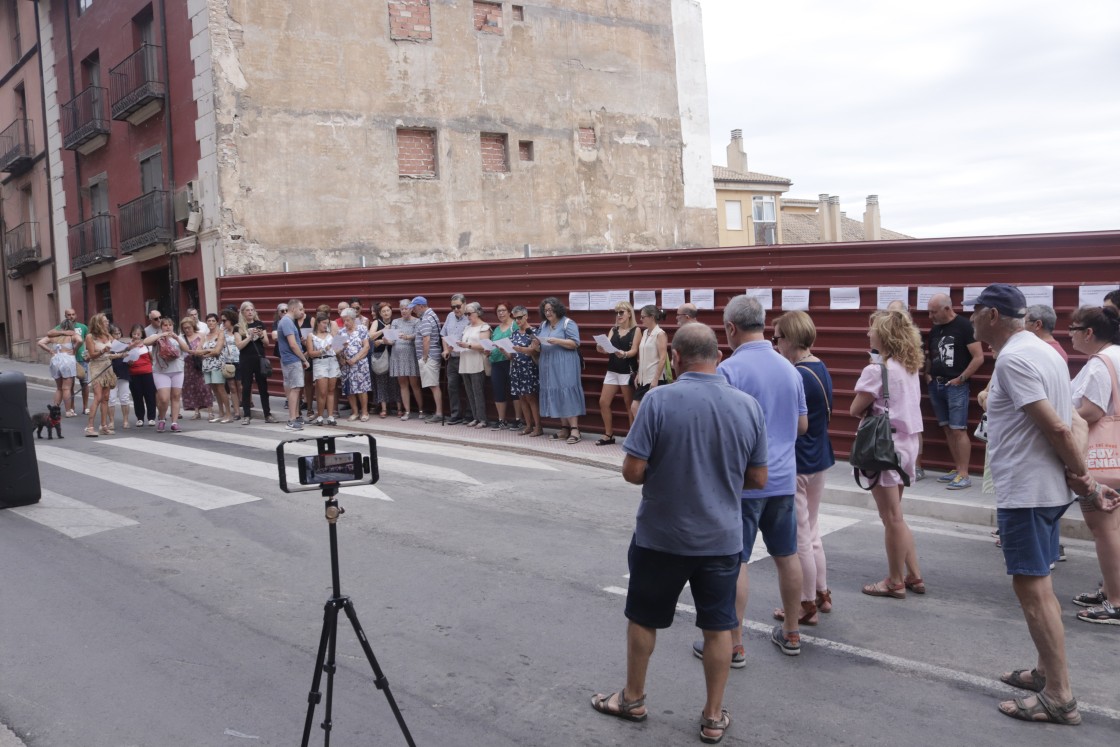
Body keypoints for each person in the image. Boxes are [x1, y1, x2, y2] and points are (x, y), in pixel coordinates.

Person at [591, 324, 768, 745]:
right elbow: (759, 478)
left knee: (644, 618)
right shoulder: (748, 406)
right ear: (719, 358)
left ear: (676, 358)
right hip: (722, 538)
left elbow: (632, 472)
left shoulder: (657, 401)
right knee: (718, 627)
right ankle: (711, 716)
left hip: (660, 537)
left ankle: (633, 698)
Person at [968, 284, 1120, 725]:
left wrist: (1087, 482)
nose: (972, 320)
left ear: (992, 315)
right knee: (1041, 589)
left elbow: (1057, 426)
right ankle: (1044, 673)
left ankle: (1059, 696)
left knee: (1033, 592)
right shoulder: (1044, 350)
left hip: (1027, 493)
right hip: (1043, 489)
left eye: (975, 313)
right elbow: (1071, 419)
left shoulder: (1016, 358)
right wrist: (1078, 480)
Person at [693, 294, 807, 663]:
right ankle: (792, 632)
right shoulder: (790, 368)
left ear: (730, 328)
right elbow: (802, 424)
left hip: (743, 483)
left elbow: (719, 428)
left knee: (736, 562)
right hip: (784, 479)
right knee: (787, 555)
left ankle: (734, 643)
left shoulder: (731, 371)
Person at [851, 310, 925, 599]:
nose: (868, 334)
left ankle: (895, 580)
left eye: (872, 330)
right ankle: (914, 575)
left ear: (883, 335)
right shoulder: (909, 366)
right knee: (896, 515)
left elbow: (856, 409)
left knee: (890, 517)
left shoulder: (876, 369)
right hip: (907, 444)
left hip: (883, 446)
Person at [771, 311, 836, 625]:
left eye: (778, 338)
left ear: (790, 339)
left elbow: (797, 424)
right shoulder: (819, 366)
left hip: (799, 460)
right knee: (813, 531)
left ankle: (805, 603)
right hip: (820, 456)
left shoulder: (795, 374)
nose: (776, 344)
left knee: (799, 538)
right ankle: (822, 593)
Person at [1067, 304, 1120, 625]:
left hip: (1101, 458)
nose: (1069, 334)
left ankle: (1115, 601)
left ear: (1089, 333)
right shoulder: (1117, 355)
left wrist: (1061, 418)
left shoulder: (1100, 364)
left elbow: (1092, 411)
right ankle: (1111, 588)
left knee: (1104, 530)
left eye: (1073, 329)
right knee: (1114, 529)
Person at [925, 293, 984, 490]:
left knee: (959, 429)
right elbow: (930, 355)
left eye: (934, 312)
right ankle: (957, 468)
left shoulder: (964, 326)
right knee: (947, 428)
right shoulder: (935, 329)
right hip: (937, 384)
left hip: (956, 385)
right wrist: (927, 374)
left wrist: (961, 378)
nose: (930, 316)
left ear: (947, 309)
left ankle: (965, 474)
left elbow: (978, 357)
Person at [532, 296, 585, 443]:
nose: (548, 312)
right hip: (548, 364)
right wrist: (536, 345)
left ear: (557, 309)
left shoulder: (568, 323)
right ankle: (564, 428)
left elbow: (575, 343)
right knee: (556, 392)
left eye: (551, 309)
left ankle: (575, 429)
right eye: (545, 310)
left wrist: (557, 341)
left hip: (565, 363)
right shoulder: (543, 325)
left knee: (567, 391)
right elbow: (539, 343)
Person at [596, 301, 641, 446]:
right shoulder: (613, 330)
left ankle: (632, 436)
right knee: (603, 402)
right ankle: (609, 434)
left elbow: (635, 350)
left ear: (629, 313)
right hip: (612, 369)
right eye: (617, 312)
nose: (618, 315)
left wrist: (625, 354)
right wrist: (601, 348)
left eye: (621, 312)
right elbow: (608, 346)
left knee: (629, 404)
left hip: (626, 370)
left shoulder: (636, 330)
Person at [142, 316, 190, 432]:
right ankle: (162, 419)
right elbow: (145, 342)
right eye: (165, 325)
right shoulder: (156, 337)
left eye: (170, 325)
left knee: (176, 396)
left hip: (177, 370)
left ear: (173, 326)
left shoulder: (178, 337)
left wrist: (177, 339)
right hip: (161, 371)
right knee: (164, 398)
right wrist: (160, 335)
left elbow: (186, 349)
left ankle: (174, 422)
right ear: (161, 327)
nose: (168, 327)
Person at [235, 302, 276, 425]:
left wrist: (260, 336)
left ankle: (267, 414)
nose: (250, 312)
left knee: (263, 387)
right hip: (246, 360)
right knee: (246, 387)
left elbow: (267, 343)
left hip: (259, 359)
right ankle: (247, 415)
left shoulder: (260, 324)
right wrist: (249, 336)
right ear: (242, 312)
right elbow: (239, 346)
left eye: (252, 310)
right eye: (247, 310)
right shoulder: (239, 327)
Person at [277, 300, 311, 431]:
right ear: (293, 309)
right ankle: (291, 419)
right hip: (292, 359)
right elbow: (292, 344)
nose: (303, 312)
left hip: (290, 359)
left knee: (295, 388)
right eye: (301, 309)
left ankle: (296, 417)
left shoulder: (287, 322)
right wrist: (304, 359)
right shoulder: (287, 322)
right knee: (295, 388)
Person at [457, 302, 492, 428]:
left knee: (478, 392)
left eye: (469, 313)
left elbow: (484, 345)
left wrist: (468, 345)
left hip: (477, 363)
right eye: (465, 314)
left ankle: (483, 419)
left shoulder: (484, 327)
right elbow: (464, 342)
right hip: (465, 361)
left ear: (477, 313)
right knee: (469, 392)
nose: (467, 316)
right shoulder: (467, 327)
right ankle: (475, 417)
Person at [629, 306, 668, 420]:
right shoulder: (645, 332)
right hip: (644, 377)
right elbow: (643, 356)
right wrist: (638, 374)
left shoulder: (660, 334)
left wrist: (656, 379)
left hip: (654, 378)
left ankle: (645, 434)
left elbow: (662, 358)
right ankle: (647, 433)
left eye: (643, 317)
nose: (641, 319)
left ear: (651, 317)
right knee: (641, 408)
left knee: (636, 407)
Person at [37, 320, 81, 417]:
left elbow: (40, 342)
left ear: (61, 327)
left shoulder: (54, 336)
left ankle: (54, 411)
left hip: (55, 359)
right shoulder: (72, 335)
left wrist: (49, 350)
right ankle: (68, 411)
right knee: (67, 388)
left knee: (59, 388)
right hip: (67, 360)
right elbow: (80, 340)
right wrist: (75, 349)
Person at [509, 306, 542, 436]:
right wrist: (504, 351)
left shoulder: (533, 332)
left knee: (531, 398)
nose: (517, 321)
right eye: (515, 318)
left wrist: (522, 350)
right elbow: (511, 355)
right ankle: (528, 425)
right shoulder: (515, 333)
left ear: (526, 316)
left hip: (529, 367)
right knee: (521, 397)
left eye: (519, 317)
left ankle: (538, 427)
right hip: (516, 368)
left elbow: (535, 350)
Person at [410, 296, 444, 423]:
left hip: (429, 357)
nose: (413, 310)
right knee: (433, 384)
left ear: (420, 306)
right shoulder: (432, 315)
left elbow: (426, 339)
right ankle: (438, 412)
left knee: (433, 385)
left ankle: (439, 413)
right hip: (433, 355)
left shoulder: (426, 318)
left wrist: (424, 357)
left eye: (414, 307)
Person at [83, 313, 117, 437]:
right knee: (97, 397)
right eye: (105, 321)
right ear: (98, 323)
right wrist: (102, 350)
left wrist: (123, 354)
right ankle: (89, 427)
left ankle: (104, 426)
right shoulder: (90, 337)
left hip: (107, 366)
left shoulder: (108, 335)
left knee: (106, 398)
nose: (107, 322)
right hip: (96, 367)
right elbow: (91, 355)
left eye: (107, 321)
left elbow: (112, 353)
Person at [488, 301, 519, 429]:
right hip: (496, 362)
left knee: (515, 391)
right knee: (498, 390)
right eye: (498, 311)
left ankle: (518, 419)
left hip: (511, 361)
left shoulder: (515, 325)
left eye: (503, 310)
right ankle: (501, 420)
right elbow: (492, 344)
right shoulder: (496, 328)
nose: (501, 313)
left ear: (509, 311)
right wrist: (487, 350)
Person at [441, 294, 472, 424]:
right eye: (453, 307)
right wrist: (445, 350)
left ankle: (470, 415)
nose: (456, 309)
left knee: (468, 387)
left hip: (465, 357)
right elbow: (444, 335)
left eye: (458, 306)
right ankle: (456, 414)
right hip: (452, 358)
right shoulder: (449, 316)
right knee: (452, 386)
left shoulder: (470, 317)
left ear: (464, 304)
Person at [392, 299, 423, 420]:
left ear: (411, 309)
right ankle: (407, 411)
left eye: (406, 308)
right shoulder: (395, 321)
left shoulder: (417, 321)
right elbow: (392, 337)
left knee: (414, 384)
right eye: (401, 308)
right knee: (402, 384)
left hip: (410, 355)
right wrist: (386, 340)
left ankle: (421, 410)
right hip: (397, 355)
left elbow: (417, 334)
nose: (403, 310)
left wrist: (407, 337)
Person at [338, 308, 372, 421]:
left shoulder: (362, 329)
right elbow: (336, 349)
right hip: (347, 365)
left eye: (347, 320)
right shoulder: (341, 332)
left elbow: (366, 347)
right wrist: (341, 357)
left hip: (360, 364)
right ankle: (355, 412)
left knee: (362, 389)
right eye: (344, 321)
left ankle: (365, 412)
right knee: (349, 389)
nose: (345, 323)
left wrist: (355, 359)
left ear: (353, 319)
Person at [307, 313, 340, 425]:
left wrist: (342, 347)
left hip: (332, 361)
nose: (326, 325)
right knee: (322, 391)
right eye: (324, 323)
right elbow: (311, 353)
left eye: (327, 323)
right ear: (318, 323)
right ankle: (320, 416)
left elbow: (334, 351)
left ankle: (330, 416)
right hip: (320, 362)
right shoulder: (311, 335)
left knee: (331, 390)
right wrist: (323, 350)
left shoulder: (330, 335)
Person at [198, 314, 231, 423]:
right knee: (215, 390)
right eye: (209, 321)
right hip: (206, 366)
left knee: (221, 389)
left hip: (217, 364)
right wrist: (207, 352)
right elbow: (198, 351)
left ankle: (228, 414)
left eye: (213, 320)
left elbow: (217, 351)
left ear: (217, 322)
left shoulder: (220, 334)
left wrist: (205, 354)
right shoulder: (205, 335)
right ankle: (221, 413)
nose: (211, 323)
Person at [370, 301, 401, 418]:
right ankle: (383, 409)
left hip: (394, 354)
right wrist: (383, 330)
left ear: (391, 311)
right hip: (380, 356)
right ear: (379, 313)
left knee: (396, 382)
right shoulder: (376, 322)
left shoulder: (396, 322)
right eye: (383, 311)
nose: (386, 313)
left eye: (388, 310)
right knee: (381, 382)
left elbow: (398, 338)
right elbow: (371, 336)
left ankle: (398, 408)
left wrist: (382, 341)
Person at [181, 317, 214, 420]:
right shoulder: (182, 338)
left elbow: (203, 348)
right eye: (185, 328)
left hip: (200, 363)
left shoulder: (201, 335)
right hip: (188, 365)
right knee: (192, 387)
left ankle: (210, 411)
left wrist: (198, 352)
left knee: (205, 387)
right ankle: (196, 411)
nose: (187, 330)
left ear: (193, 326)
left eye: (189, 327)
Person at [127, 323, 157, 427]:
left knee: (150, 396)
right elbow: (125, 361)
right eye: (134, 334)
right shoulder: (128, 346)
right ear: (131, 334)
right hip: (134, 374)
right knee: (137, 397)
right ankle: (140, 418)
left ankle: (151, 417)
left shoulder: (146, 346)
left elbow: (152, 359)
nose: (136, 336)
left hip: (147, 373)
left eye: (138, 334)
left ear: (142, 335)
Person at [106, 325, 133, 430]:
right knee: (111, 398)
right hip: (111, 374)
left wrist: (131, 360)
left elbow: (130, 358)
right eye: (115, 334)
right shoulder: (108, 346)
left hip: (123, 372)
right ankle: (111, 421)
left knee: (124, 398)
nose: (117, 336)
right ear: (110, 335)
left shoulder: (125, 345)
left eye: (119, 333)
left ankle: (125, 420)